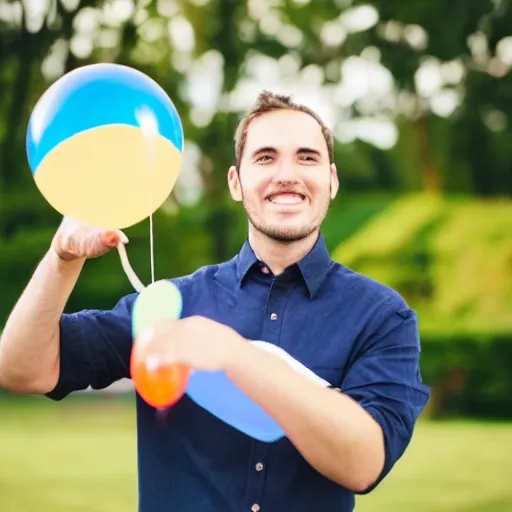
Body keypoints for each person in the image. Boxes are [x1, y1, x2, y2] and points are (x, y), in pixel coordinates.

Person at [0, 91, 430, 512]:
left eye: (307, 157)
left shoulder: (382, 315)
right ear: (235, 183)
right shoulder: (165, 305)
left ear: (331, 181)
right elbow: (20, 370)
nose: (287, 174)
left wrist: (234, 357)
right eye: (265, 157)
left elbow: (364, 464)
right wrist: (62, 258)